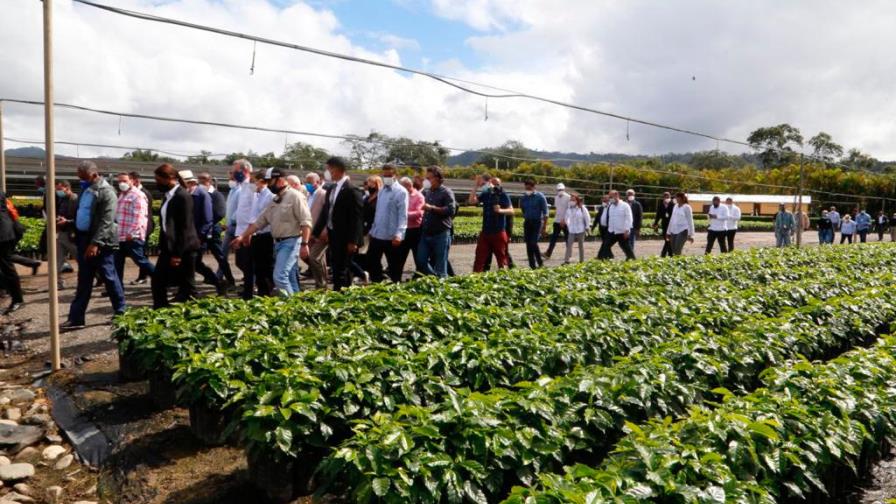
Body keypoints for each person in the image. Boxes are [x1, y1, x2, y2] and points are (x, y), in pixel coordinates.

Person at [61, 161, 125, 331]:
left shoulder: (106, 192)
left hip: (101, 243)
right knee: (84, 280)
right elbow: (85, 216)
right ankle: (76, 318)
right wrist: (69, 223)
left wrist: (96, 243)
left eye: (82, 175)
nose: (79, 178)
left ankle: (121, 313)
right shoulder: (86, 190)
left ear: (94, 174)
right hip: (84, 240)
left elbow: (106, 221)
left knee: (109, 277)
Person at [233, 168, 312, 296]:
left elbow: (306, 222)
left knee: (280, 277)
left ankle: (291, 306)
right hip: (278, 243)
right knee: (289, 279)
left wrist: (305, 244)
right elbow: (260, 221)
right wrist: (242, 236)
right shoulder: (276, 199)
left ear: (280, 180)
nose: (269, 185)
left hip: (291, 242)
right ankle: (299, 306)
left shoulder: (295, 196)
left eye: (270, 181)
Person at [311, 157, 364, 291]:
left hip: (346, 237)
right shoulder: (332, 188)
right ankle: (337, 292)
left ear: (337, 169)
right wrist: (315, 233)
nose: (327, 172)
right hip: (333, 234)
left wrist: (353, 241)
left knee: (343, 269)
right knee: (336, 266)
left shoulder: (352, 190)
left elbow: (356, 218)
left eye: (329, 169)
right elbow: (326, 212)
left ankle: (342, 296)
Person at [151, 164, 200, 309]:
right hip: (169, 246)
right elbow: (166, 224)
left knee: (188, 284)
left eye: (159, 179)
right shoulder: (167, 196)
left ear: (170, 178)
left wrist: (177, 254)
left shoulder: (182, 196)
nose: (157, 183)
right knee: (158, 280)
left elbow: (184, 228)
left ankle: (194, 312)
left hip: (184, 247)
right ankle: (160, 308)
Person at [182, 170, 224, 295]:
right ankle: (188, 289)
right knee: (194, 263)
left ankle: (191, 290)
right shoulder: (190, 193)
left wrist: (200, 236)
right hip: (190, 235)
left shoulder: (201, 194)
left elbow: (208, 219)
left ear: (189, 182)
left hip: (198, 236)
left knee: (194, 263)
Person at [367, 164, 408, 283]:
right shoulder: (381, 191)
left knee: (394, 267)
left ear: (396, 175)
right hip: (377, 234)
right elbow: (378, 212)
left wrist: (399, 234)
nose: (386, 178)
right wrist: (372, 229)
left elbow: (403, 215)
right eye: (384, 175)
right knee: (371, 261)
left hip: (392, 236)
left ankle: (396, 290)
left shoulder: (401, 192)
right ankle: (377, 285)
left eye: (389, 175)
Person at [113, 172, 154, 289]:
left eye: (124, 181)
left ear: (132, 181)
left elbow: (139, 217)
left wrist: (131, 232)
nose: (121, 183)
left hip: (132, 236)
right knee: (117, 263)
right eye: (119, 181)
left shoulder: (137, 195)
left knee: (141, 261)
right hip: (120, 235)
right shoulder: (122, 195)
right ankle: (117, 288)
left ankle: (160, 278)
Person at [416, 166, 456, 278]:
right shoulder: (427, 192)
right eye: (426, 178)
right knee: (420, 261)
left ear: (438, 178)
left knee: (440, 264)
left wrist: (431, 208)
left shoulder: (446, 192)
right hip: (426, 233)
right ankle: (435, 279)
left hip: (441, 233)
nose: (426, 180)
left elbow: (451, 210)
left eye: (429, 178)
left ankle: (441, 286)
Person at [199, 172, 235, 289]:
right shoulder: (199, 194)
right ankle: (209, 276)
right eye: (199, 179)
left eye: (203, 180)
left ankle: (230, 280)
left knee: (220, 257)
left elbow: (219, 213)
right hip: (201, 232)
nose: (201, 182)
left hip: (212, 231)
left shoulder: (216, 195)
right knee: (196, 258)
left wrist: (207, 223)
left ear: (209, 181)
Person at [472, 177, 513, 272]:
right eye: (493, 183)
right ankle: (475, 278)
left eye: (497, 184)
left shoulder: (503, 194)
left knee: (501, 259)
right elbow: (472, 201)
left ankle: (504, 279)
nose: (494, 186)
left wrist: (500, 210)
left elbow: (511, 211)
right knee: (479, 257)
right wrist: (475, 187)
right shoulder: (485, 194)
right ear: (490, 182)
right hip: (485, 231)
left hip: (498, 231)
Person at [232, 159, 257, 299]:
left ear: (245, 170)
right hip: (240, 230)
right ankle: (251, 286)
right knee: (240, 261)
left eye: (236, 170)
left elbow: (255, 209)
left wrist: (249, 232)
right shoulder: (242, 186)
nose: (234, 173)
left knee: (247, 263)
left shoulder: (252, 186)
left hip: (248, 231)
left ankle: (250, 291)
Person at [249, 170, 275, 296]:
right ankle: (262, 292)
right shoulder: (259, 195)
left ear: (260, 181)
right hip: (257, 234)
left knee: (266, 266)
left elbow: (265, 218)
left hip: (266, 235)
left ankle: (267, 292)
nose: (253, 184)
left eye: (254, 181)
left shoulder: (270, 196)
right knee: (258, 267)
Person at [304, 172, 330, 289]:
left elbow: (328, 214)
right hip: (311, 233)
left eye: (310, 182)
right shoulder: (310, 195)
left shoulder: (323, 194)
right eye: (306, 182)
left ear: (318, 182)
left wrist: (325, 230)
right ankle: (322, 284)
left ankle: (321, 285)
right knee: (319, 259)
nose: (307, 184)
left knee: (314, 258)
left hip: (322, 233)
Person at [0, 191, 25, 314]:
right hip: (5, 232)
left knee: (7, 267)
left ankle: (18, 299)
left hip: (3, 234)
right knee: (5, 267)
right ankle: (7, 292)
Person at [128, 172, 154, 285]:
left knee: (141, 254)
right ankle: (144, 276)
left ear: (136, 180)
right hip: (135, 228)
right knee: (140, 254)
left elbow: (145, 213)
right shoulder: (130, 192)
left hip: (143, 227)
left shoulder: (144, 193)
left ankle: (144, 276)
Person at [395, 176, 423, 276]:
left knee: (418, 256)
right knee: (399, 256)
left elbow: (419, 213)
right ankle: (396, 278)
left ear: (409, 185)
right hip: (403, 230)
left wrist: (403, 214)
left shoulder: (418, 196)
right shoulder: (401, 195)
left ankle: (419, 278)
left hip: (415, 230)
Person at [596, 190, 636, 260]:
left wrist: (627, 230)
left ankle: (632, 261)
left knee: (627, 249)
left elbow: (629, 218)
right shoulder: (611, 207)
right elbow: (609, 219)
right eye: (609, 197)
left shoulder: (625, 205)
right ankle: (603, 261)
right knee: (605, 246)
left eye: (611, 197)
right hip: (612, 231)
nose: (610, 199)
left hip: (622, 232)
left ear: (617, 195)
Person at [54, 181, 79, 288]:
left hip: (72, 234)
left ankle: (98, 276)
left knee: (81, 259)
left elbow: (79, 218)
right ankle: (59, 283)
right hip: (62, 233)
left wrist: (67, 221)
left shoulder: (75, 199)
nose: (58, 191)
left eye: (60, 189)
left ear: (67, 188)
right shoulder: (62, 200)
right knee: (57, 260)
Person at [520, 179, 548, 269]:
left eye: (529, 188)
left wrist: (544, 227)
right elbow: (523, 209)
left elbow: (545, 212)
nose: (527, 190)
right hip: (527, 222)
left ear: (533, 187)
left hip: (537, 222)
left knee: (533, 242)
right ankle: (532, 265)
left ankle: (540, 262)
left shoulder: (540, 197)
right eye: (526, 188)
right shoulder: (524, 197)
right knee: (528, 244)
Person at [221, 170, 242, 290]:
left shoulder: (240, 192)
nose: (230, 181)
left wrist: (232, 221)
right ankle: (220, 276)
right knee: (222, 254)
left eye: (232, 179)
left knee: (241, 259)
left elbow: (240, 210)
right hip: (230, 226)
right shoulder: (232, 191)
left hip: (236, 226)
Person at [543, 183, 570, 259]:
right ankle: (548, 253)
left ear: (564, 189)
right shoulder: (556, 198)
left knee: (567, 239)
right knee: (553, 238)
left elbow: (569, 210)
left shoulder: (568, 197)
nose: (560, 191)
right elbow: (557, 209)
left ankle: (569, 254)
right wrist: (556, 219)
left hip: (565, 222)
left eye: (561, 190)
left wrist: (564, 220)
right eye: (558, 190)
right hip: (557, 221)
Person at [563, 193, 590, 264]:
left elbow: (587, 218)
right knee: (569, 244)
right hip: (572, 229)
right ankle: (566, 260)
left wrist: (587, 227)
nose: (572, 201)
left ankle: (581, 260)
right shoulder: (569, 208)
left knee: (581, 245)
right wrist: (568, 224)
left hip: (581, 229)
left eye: (573, 200)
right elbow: (566, 218)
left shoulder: (582, 208)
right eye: (571, 199)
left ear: (577, 200)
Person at [652, 192, 674, 257]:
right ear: (663, 197)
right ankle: (670, 254)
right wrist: (655, 223)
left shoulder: (673, 204)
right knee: (667, 240)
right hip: (664, 225)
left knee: (668, 240)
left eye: (667, 196)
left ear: (670, 197)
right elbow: (658, 215)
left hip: (672, 225)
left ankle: (664, 254)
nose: (666, 197)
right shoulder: (661, 205)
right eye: (665, 196)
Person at [591, 195, 613, 259]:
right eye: (603, 199)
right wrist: (593, 226)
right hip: (602, 228)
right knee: (605, 242)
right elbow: (597, 218)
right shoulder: (601, 207)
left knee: (605, 242)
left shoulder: (611, 207)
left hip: (608, 228)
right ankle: (610, 255)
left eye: (605, 199)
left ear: (608, 200)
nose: (603, 200)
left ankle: (600, 256)